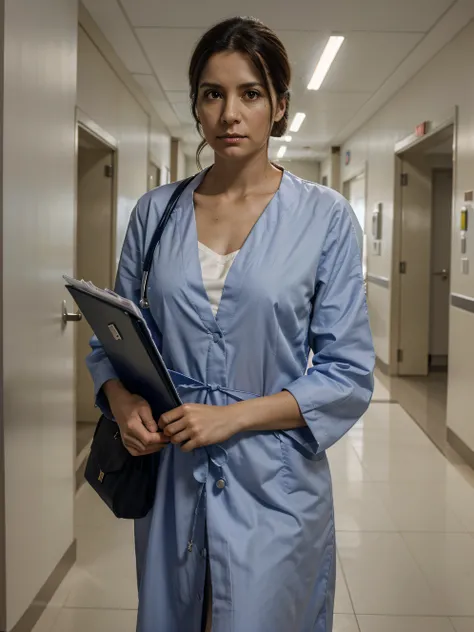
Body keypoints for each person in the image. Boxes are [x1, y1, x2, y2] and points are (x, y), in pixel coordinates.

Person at [86, 15, 375, 632]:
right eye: (212, 94)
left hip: (275, 479)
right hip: (172, 470)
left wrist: (232, 417)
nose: (230, 113)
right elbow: (110, 337)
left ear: (279, 106)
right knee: (175, 614)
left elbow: (347, 372)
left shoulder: (324, 219)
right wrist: (119, 398)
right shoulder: (155, 214)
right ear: (196, 106)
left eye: (250, 93)